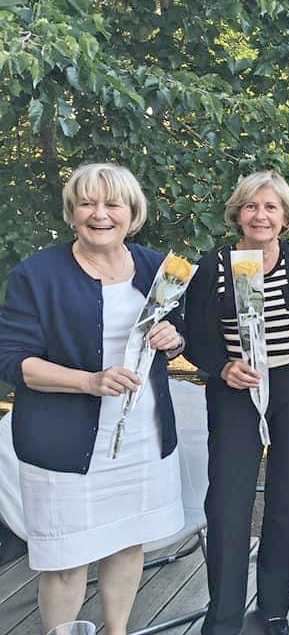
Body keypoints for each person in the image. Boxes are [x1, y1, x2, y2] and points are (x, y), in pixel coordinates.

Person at [0, 163, 185, 635]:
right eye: (87, 203)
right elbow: (13, 361)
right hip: (64, 444)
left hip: (141, 437)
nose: (100, 214)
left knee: (127, 542)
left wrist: (174, 339)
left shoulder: (156, 267)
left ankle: (117, 630)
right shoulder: (38, 274)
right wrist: (89, 381)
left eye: (112, 204)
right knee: (66, 559)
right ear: (72, 213)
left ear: (133, 213)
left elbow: (175, 334)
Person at [184, 171, 289, 635]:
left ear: (286, 217)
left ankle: (274, 608)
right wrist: (222, 366)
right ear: (237, 214)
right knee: (228, 502)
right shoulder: (214, 265)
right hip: (235, 392)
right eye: (251, 206)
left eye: (270, 207)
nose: (260, 215)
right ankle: (223, 616)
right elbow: (193, 336)